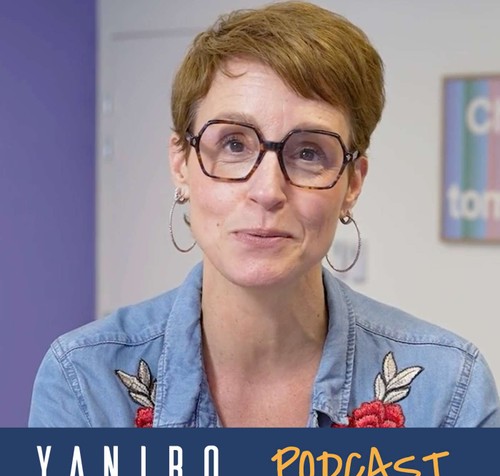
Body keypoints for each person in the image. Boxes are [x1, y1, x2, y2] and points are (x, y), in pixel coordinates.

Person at [29, 0, 500, 428]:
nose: (268, 191)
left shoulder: (449, 392)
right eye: (234, 144)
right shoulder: (84, 381)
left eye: (309, 152)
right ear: (181, 164)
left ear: (352, 184)